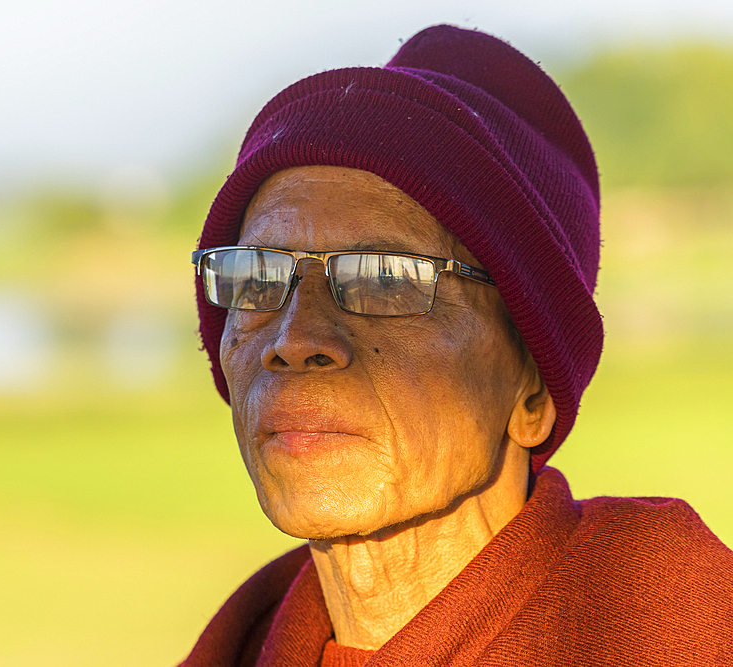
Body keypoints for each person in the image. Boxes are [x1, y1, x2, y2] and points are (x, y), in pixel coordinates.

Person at [179, 24, 733, 667]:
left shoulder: (668, 620)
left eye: (385, 279)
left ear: (533, 391)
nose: (295, 340)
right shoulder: (244, 642)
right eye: (255, 279)